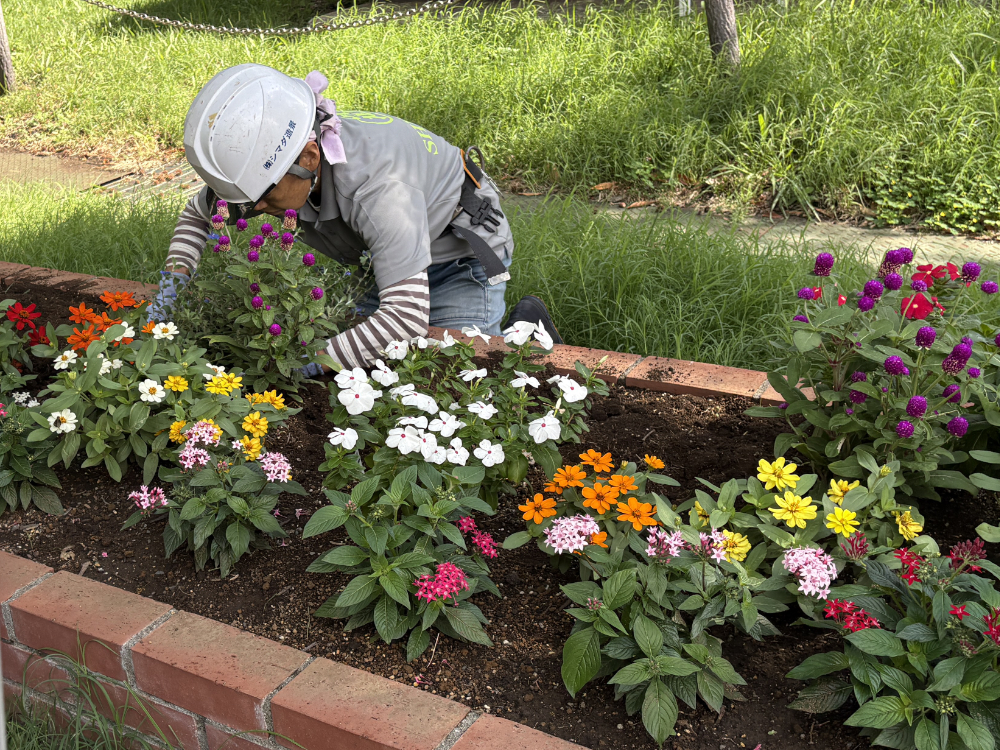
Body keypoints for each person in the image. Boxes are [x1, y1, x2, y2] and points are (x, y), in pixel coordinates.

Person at [151, 63, 561, 373]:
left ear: (309, 157)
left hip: (456, 256)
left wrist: (307, 364)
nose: (254, 211)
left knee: (456, 376)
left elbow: (404, 318)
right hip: (382, 256)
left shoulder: (377, 189)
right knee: (374, 370)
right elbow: (197, 216)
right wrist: (170, 292)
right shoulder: (263, 173)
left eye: (261, 199)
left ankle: (527, 329)